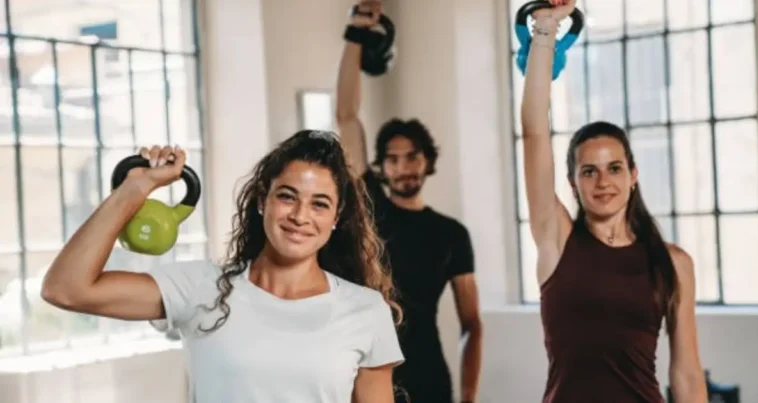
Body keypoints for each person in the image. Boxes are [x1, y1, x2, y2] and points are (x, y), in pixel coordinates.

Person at [40, 130, 405, 403]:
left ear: (337, 217)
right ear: (262, 200)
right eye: (287, 196)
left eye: (319, 204)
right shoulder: (201, 286)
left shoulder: (365, 310)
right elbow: (65, 289)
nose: (299, 216)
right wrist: (134, 190)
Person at [520, 1, 708, 402]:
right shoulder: (556, 241)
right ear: (572, 184)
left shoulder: (673, 262)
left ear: (633, 175)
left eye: (615, 168)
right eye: (589, 171)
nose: (603, 181)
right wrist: (546, 30)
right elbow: (534, 130)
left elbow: (688, 373)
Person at [335, 1, 483, 402]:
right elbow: (346, 115)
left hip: (431, 378)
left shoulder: (452, 234)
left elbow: (472, 324)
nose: (403, 167)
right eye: (393, 159)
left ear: (427, 161)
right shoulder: (370, 206)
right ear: (381, 167)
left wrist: (470, 397)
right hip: (367, 372)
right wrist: (356, 34)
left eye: (412, 156)